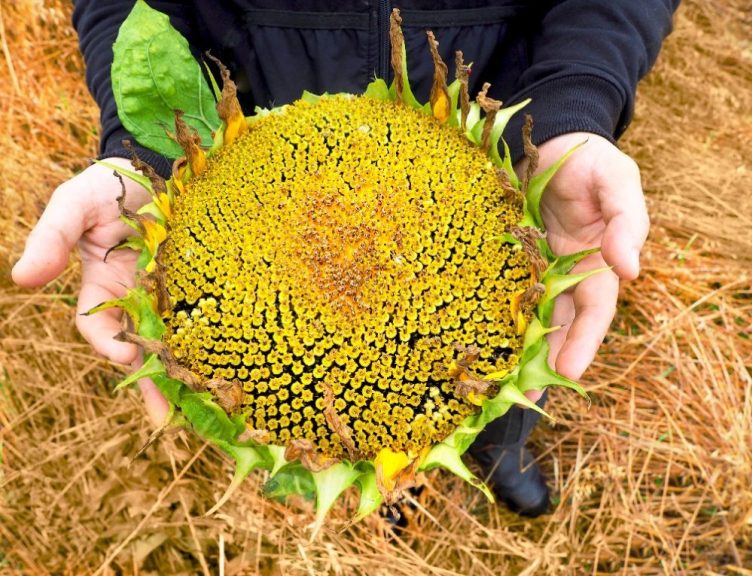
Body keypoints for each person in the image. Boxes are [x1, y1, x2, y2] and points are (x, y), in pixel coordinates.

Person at [12, 0, 679, 517]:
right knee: (343, 422)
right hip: (249, 134)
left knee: (501, 367)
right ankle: (390, 486)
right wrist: (149, 148)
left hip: (490, 121)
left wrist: (578, 95)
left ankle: (496, 446)